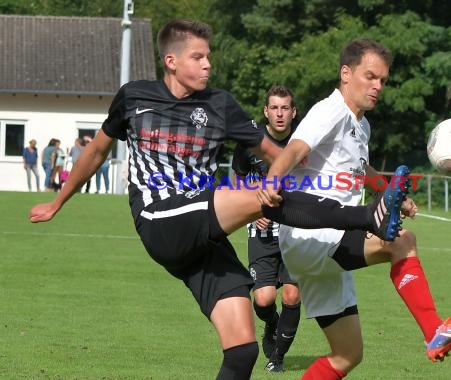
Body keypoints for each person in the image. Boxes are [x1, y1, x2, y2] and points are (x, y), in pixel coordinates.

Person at [29, 20, 405, 379]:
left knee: (242, 349)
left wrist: (308, 157)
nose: (208, 64)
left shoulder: (220, 104)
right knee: (263, 197)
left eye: (209, 56)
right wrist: (57, 202)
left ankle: (368, 216)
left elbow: (275, 152)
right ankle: (368, 217)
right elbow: (95, 152)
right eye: (198, 57)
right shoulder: (134, 97)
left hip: (204, 232)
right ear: (171, 61)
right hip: (159, 217)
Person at [259, 38, 451, 379]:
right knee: (401, 242)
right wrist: (273, 179)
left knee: (347, 355)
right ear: (346, 74)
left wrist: (392, 192)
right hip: (314, 234)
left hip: (327, 249)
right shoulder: (329, 110)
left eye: (383, 80)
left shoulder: (360, 124)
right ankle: (434, 330)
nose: (378, 86)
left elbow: (362, 172)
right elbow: (292, 150)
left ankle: (432, 333)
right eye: (370, 77)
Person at [232, 85, 301, 373]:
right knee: (263, 299)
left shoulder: (303, 143)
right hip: (261, 233)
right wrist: (252, 208)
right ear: (266, 111)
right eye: (274, 107)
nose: (280, 113)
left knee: (291, 295)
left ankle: (278, 358)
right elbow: (236, 179)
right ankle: (271, 324)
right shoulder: (251, 143)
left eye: (285, 108)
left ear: (293, 112)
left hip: (297, 233)